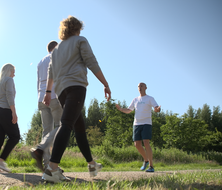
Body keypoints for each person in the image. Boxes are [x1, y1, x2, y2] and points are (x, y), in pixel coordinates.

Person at [42, 16, 111, 183]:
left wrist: (48, 92)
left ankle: (91, 164)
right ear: (77, 28)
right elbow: (91, 62)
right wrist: (105, 83)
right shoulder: (80, 40)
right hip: (76, 86)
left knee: (78, 126)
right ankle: (52, 169)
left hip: (61, 91)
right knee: (66, 124)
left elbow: (51, 72)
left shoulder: (56, 49)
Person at [30, 41, 63, 172]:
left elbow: (38, 82)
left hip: (42, 98)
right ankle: (44, 152)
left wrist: (40, 97)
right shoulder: (56, 57)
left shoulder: (40, 62)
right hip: (54, 96)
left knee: (47, 131)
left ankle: (47, 165)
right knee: (61, 127)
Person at [115, 82, 161, 172]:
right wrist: (120, 109)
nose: (140, 87)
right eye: (139, 86)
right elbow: (129, 110)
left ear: (146, 87)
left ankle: (151, 166)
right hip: (136, 124)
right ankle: (146, 160)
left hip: (146, 123)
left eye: (142, 86)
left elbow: (156, 108)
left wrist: (157, 109)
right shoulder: (135, 99)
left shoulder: (150, 98)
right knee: (137, 144)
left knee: (146, 142)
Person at [0, 63, 21, 173]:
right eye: (13, 71)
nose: (14, 74)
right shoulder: (9, 80)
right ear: (8, 71)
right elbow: (10, 96)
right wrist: (14, 112)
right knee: (15, 136)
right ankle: (0, 160)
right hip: (5, 111)